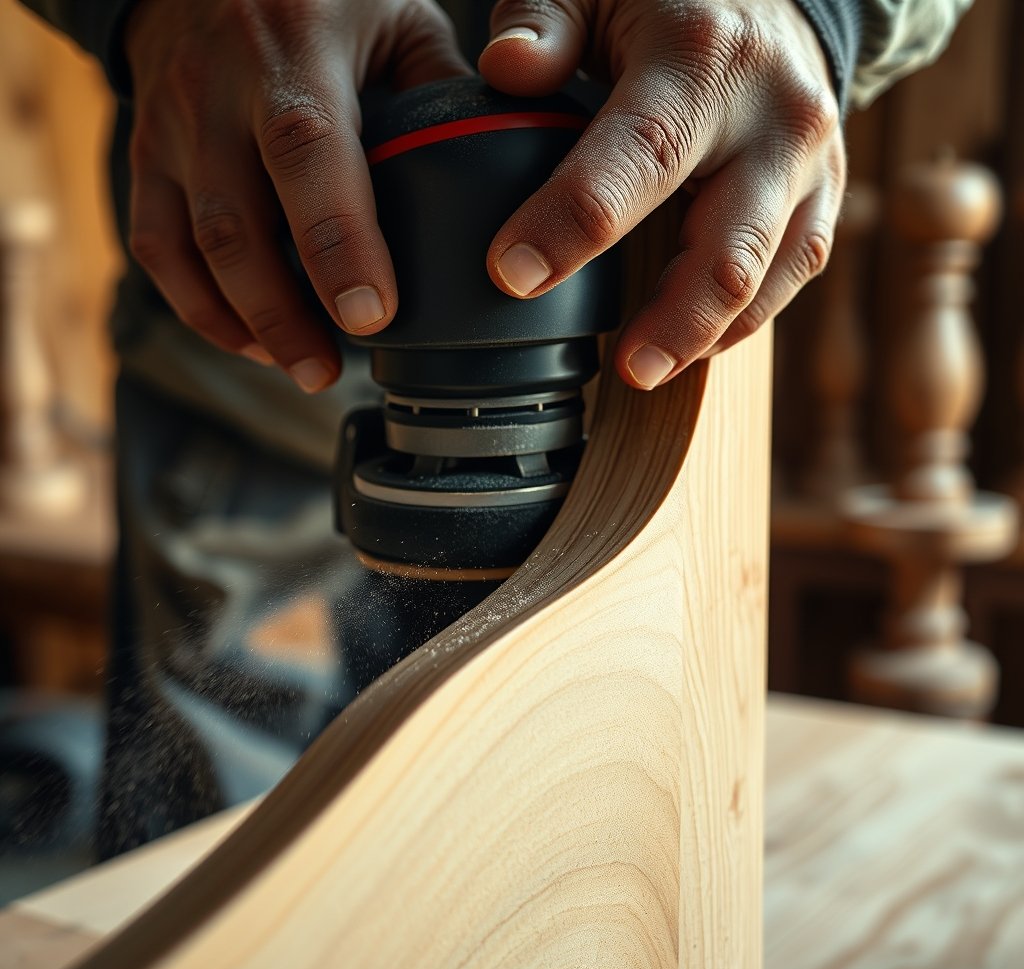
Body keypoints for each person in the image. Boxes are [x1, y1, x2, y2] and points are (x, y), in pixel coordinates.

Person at [19, 0, 972, 857]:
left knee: (549, 837)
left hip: (650, 257)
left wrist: (820, 14)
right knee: (205, 851)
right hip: (256, 263)